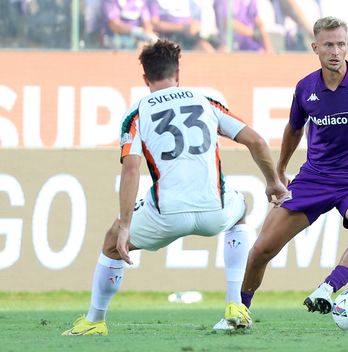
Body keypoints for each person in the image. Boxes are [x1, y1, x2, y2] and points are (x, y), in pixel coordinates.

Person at [62, 39, 290, 336]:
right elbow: (257, 141)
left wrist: (125, 225)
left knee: (110, 243)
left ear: (145, 78)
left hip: (165, 215)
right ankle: (235, 304)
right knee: (240, 212)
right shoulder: (205, 101)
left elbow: (131, 170)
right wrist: (273, 181)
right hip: (215, 211)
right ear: (178, 73)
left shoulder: (137, 113)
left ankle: (94, 321)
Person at [233, 16, 348, 322]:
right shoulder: (305, 89)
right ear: (315, 47)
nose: (335, 51)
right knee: (262, 248)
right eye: (328, 45)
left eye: (341, 44)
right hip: (314, 180)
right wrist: (279, 173)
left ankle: (328, 288)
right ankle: (238, 311)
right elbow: (293, 129)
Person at [147, 0, 215, 52]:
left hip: (187, 39)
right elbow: (154, 25)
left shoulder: (190, 2)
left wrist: (193, 28)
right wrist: (182, 28)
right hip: (165, 41)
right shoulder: (155, 2)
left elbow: (196, 23)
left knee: (206, 48)